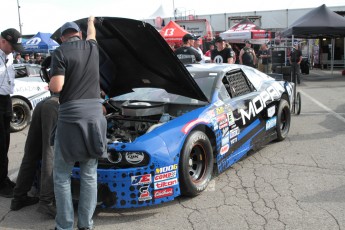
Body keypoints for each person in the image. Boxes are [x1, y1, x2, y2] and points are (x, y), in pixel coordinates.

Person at [49, 16, 107, 230]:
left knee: (62, 175)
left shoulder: (60, 52)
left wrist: (50, 82)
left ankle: (64, 225)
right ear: (79, 34)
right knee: (89, 174)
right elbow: (92, 33)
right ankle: (86, 225)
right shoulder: (92, 48)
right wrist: (91, 21)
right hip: (94, 117)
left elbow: (57, 87)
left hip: (71, 117)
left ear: (63, 38)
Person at [10, 95, 58, 217]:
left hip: (44, 103)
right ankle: (46, 202)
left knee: (31, 153)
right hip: (56, 104)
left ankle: (18, 197)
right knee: (49, 152)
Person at [0, 28, 24, 198]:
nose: (14, 50)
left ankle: (3, 178)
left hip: (6, 100)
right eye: (12, 46)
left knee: (5, 145)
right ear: (3, 41)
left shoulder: (8, 57)